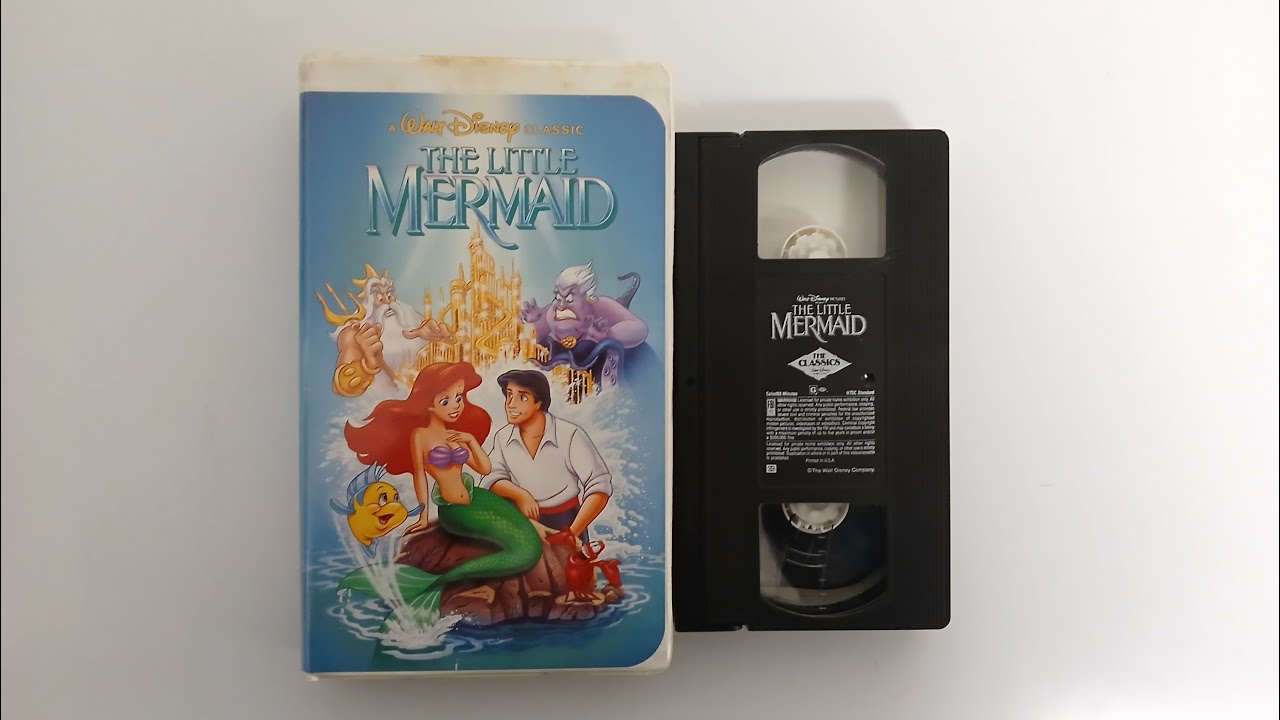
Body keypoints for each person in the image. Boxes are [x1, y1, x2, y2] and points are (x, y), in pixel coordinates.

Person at [341, 363, 543, 616]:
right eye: (446, 400)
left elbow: (484, 468)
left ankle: (452, 578)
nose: (456, 405)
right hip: (455, 510)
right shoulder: (420, 436)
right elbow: (419, 475)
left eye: (459, 397)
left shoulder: (456, 434)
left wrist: (470, 441)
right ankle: (443, 581)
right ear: (428, 404)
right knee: (525, 552)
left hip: (476, 497)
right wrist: (423, 516)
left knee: (531, 541)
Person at [480, 369, 612, 542]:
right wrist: (520, 495)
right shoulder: (503, 437)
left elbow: (600, 487)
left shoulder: (569, 435)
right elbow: (490, 477)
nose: (510, 404)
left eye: (522, 397)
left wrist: (571, 534)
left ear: (538, 403)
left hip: (565, 521)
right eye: (509, 394)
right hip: (525, 521)